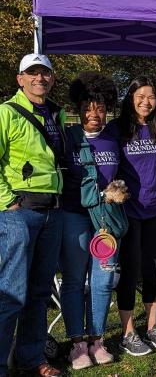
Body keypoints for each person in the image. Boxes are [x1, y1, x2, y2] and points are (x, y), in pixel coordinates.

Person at [0, 53, 65, 377]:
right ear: (20, 79)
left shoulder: (57, 112)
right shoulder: (6, 113)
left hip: (52, 211)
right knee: (12, 293)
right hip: (19, 213)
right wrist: (8, 201)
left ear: (51, 78)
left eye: (45, 73)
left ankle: (31, 360)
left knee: (40, 294)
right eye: (33, 73)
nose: (40, 78)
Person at [59, 73, 120, 369]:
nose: (94, 114)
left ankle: (97, 340)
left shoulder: (114, 137)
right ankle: (77, 344)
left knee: (103, 278)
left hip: (106, 221)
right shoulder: (68, 138)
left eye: (99, 108)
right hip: (75, 216)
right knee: (73, 280)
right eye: (87, 107)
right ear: (78, 108)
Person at [109, 76, 156, 356]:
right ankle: (128, 331)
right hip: (129, 213)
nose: (147, 102)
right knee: (130, 270)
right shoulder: (117, 129)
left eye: (152, 97)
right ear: (131, 97)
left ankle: (152, 326)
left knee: (151, 268)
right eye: (141, 96)